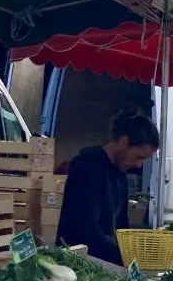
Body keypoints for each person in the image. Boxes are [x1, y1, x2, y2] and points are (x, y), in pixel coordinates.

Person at [57, 109, 159, 265]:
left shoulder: (120, 174)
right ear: (124, 142)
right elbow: (85, 229)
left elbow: (122, 226)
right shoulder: (87, 168)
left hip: (105, 261)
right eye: (139, 157)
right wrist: (123, 258)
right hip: (79, 262)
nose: (139, 165)